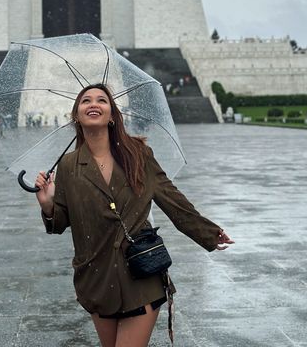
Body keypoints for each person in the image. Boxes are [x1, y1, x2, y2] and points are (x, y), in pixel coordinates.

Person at [35, 83, 233, 347]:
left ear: (113, 115)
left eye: (102, 100)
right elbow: (60, 223)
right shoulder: (69, 165)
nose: (94, 104)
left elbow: (171, 198)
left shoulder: (138, 155)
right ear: (76, 115)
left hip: (140, 271)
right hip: (96, 276)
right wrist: (47, 203)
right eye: (86, 101)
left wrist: (208, 232)